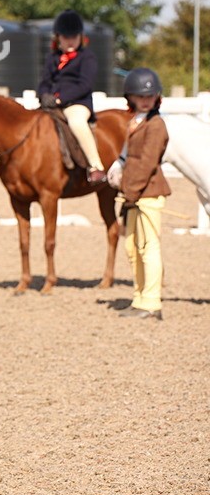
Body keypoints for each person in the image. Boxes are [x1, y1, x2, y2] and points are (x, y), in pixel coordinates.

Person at [108, 67, 170, 320]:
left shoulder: (156, 125)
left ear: (157, 97)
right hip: (133, 194)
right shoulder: (136, 121)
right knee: (132, 248)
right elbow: (127, 154)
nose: (145, 100)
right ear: (130, 97)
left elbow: (146, 162)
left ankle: (152, 302)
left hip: (147, 193)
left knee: (148, 247)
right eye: (139, 96)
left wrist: (131, 192)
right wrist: (117, 166)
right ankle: (139, 297)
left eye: (150, 96)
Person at [37, 9, 106, 182]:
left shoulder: (86, 57)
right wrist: (44, 95)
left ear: (80, 37)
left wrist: (60, 99)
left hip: (78, 103)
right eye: (65, 37)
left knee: (76, 123)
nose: (69, 41)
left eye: (73, 37)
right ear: (58, 37)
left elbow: (85, 84)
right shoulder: (53, 57)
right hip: (53, 103)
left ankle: (96, 166)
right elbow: (45, 81)